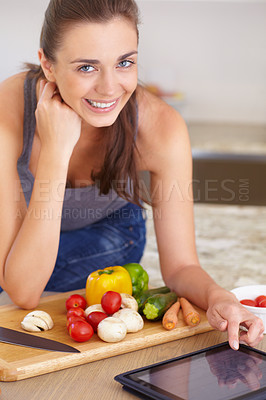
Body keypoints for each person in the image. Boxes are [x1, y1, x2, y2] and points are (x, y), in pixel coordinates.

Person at [0, 0, 263, 350]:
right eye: (86, 67)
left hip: (106, 236)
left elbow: (24, 291)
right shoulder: (9, 111)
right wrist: (56, 150)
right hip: (19, 231)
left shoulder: (161, 126)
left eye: (124, 62)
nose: (110, 88)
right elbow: (23, 281)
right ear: (48, 65)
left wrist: (219, 296)